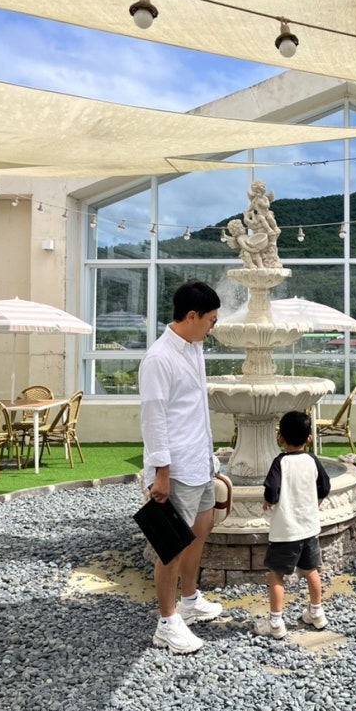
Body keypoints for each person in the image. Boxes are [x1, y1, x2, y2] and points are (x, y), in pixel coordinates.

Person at [139, 280, 223, 654]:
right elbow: (153, 417)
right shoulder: (159, 359)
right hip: (174, 469)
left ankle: (189, 600)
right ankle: (167, 622)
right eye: (210, 320)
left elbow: (194, 410)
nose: (212, 327)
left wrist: (210, 458)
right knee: (170, 546)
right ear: (191, 316)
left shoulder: (193, 348)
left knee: (200, 531)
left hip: (199, 461)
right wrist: (161, 472)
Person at [255, 410, 331, 639]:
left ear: (280, 438)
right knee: (311, 571)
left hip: (285, 531)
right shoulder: (312, 460)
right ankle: (316, 613)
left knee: (277, 574)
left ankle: (276, 623)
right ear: (309, 438)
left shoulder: (280, 462)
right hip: (309, 529)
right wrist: (314, 502)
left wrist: (269, 501)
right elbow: (325, 487)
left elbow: (271, 489)